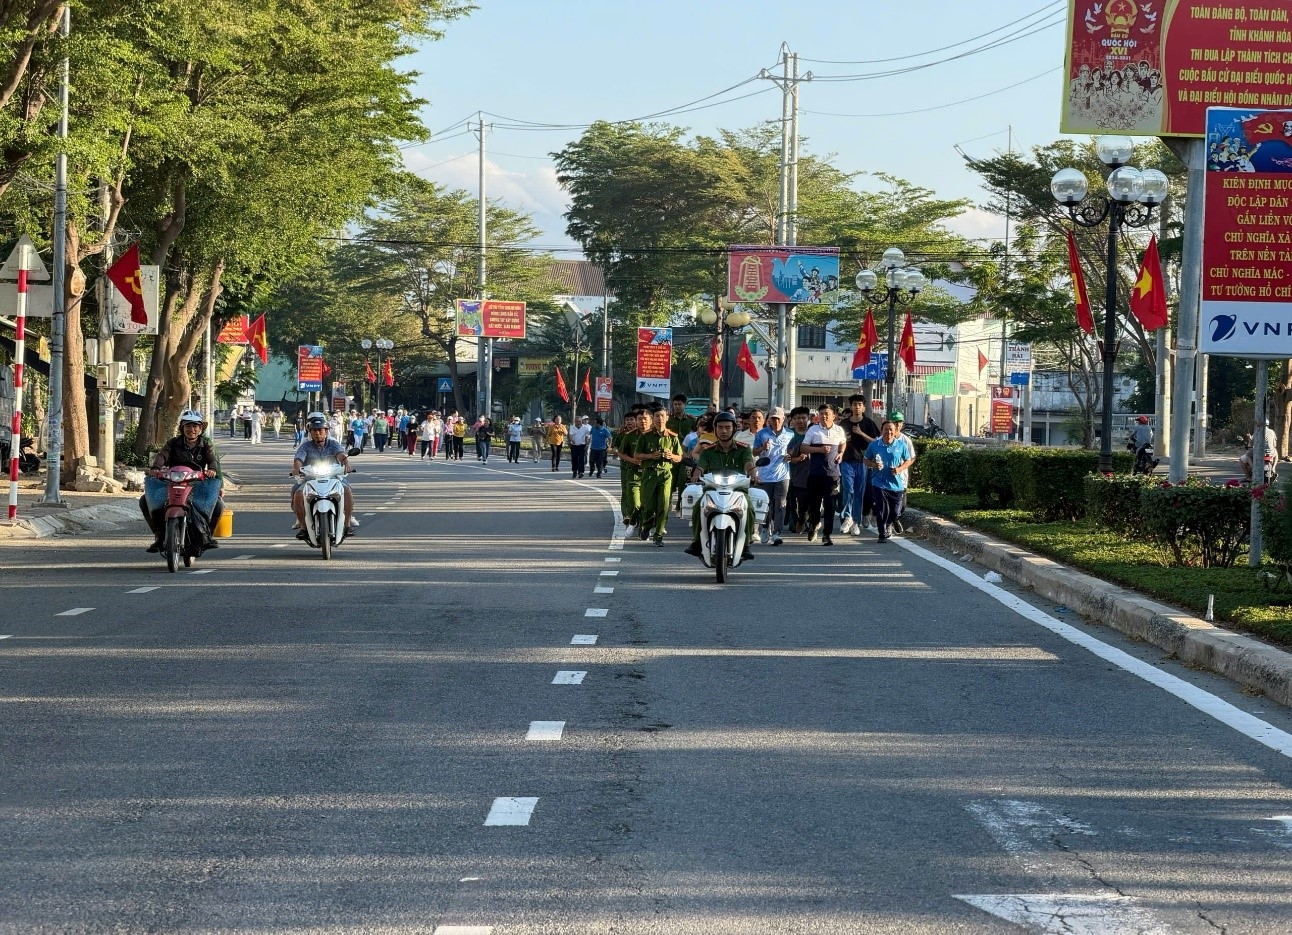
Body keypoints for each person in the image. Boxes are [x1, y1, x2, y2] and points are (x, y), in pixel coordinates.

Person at [141, 410, 223, 553]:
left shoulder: (206, 445)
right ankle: (159, 536)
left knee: (219, 505)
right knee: (144, 501)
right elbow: (162, 456)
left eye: (195, 426)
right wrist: (155, 468)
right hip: (172, 482)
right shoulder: (173, 443)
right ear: (182, 428)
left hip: (197, 484)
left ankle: (206, 536)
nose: (192, 430)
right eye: (188, 426)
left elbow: (213, 461)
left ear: (200, 429)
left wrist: (212, 470)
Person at [685, 411, 756, 560]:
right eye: (720, 427)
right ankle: (697, 541)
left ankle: (747, 543)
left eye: (728, 428)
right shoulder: (708, 451)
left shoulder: (743, 449)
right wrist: (695, 476)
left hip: (738, 490)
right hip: (713, 489)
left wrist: (755, 475)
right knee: (699, 506)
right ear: (715, 429)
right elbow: (700, 467)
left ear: (734, 429)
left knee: (748, 507)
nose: (724, 431)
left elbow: (749, 464)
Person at [292, 411, 356, 536]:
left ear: (326, 431)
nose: (317, 433)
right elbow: (298, 459)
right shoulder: (305, 445)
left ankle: (347, 525)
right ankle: (303, 527)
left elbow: (341, 455)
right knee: (297, 493)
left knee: (346, 489)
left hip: (333, 477)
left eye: (320, 430)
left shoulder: (333, 443)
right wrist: (297, 469)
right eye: (314, 430)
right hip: (310, 478)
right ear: (310, 432)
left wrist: (346, 465)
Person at [635, 406, 682, 545]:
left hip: (666, 474)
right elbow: (637, 455)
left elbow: (679, 457)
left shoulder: (673, 437)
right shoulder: (645, 436)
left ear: (667, 418)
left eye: (662, 416)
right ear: (653, 419)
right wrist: (650, 456)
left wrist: (671, 456)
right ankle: (647, 525)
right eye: (657, 416)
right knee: (647, 505)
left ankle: (659, 534)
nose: (660, 419)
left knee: (664, 505)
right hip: (649, 473)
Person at [800, 403, 846, 545]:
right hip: (815, 474)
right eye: (822, 414)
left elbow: (843, 442)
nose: (824, 416)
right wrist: (819, 450)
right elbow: (803, 448)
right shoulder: (813, 430)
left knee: (830, 505)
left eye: (827, 414)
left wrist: (841, 453)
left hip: (833, 475)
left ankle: (827, 534)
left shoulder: (839, 430)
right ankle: (814, 524)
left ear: (834, 416)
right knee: (814, 505)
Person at [864, 420, 915, 543]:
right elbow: (866, 459)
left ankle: (889, 523)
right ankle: (881, 534)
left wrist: (899, 469)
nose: (889, 432)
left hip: (897, 484)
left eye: (891, 429)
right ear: (882, 431)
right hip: (879, 482)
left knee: (895, 512)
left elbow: (908, 460)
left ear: (895, 431)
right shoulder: (874, 445)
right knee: (882, 509)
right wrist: (873, 464)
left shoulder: (901, 445)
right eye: (886, 429)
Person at [839, 395, 880, 534]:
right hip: (846, 461)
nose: (857, 407)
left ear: (863, 407)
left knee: (858, 492)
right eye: (854, 404)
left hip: (862, 462)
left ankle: (855, 522)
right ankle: (848, 516)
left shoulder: (869, 423)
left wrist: (861, 433)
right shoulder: (843, 424)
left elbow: (876, 442)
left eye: (859, 404)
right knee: (848, 488)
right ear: (850, 406)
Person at [753, 406, 793, 546]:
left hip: (783, 475)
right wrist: (762, 448)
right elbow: (754, 452)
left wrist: (790, 456)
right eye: (772, 419)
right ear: (769, 420)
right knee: (766, 504)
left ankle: (777, 532)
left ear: (783, 419)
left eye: (778, 419)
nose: (775, 421)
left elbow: (793, 451)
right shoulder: (762, 434)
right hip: (765, 474)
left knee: (781, 503)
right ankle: (765, 528)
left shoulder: (790, 434)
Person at [613, 410, 643, 535]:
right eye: (627, 420)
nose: (629, 422)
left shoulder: (644, 434)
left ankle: (640, 519)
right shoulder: (622, 435)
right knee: (626, 491)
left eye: (632, 420)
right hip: (626, 467)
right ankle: (627, 515)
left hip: (643, 469)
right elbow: (616, 449)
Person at [667, 394, 697, 511]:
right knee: (670, 480)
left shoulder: (691, 420)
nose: (677, 407)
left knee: (682, 480)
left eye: (679, 404)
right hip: (671, 455)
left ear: (685, 405)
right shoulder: (668, 420)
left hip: (685, 457)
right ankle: (667, 502)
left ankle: (680, 504)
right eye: (675, 404)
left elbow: (696, 436)